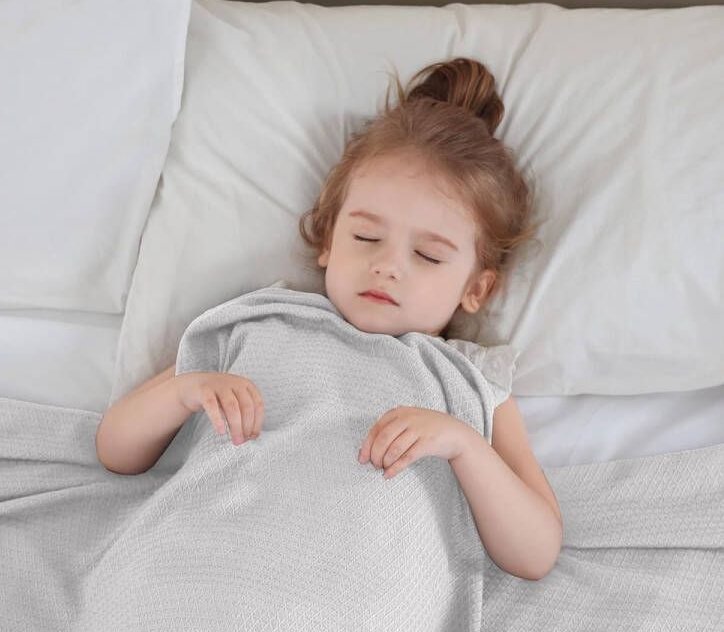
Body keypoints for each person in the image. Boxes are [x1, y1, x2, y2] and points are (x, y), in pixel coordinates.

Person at [96, 57, 562, 581]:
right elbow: (116, 449)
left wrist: (464, 447)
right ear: (326, 239)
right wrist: (186, 390)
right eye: (365, 238)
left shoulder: (471, 383)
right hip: (205, 566)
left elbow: (535, 553)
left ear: (476, 288)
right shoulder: (261, 322)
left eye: (428, 256)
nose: (387, 265)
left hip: (354, 601)